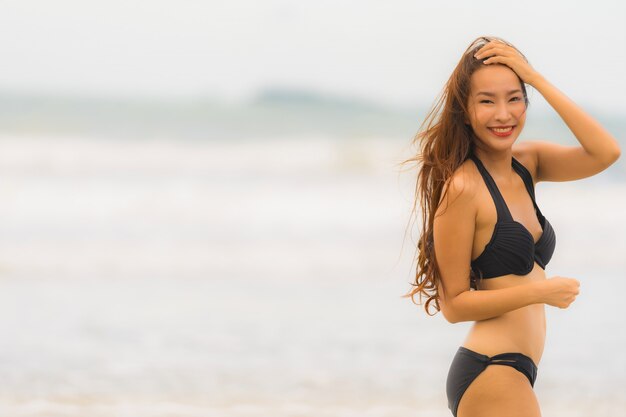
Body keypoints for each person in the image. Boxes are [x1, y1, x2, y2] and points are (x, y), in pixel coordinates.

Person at [401, 36, 621, 417]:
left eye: (515, 98)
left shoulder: (528, 163)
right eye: (486, 101)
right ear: (465, 112)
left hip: (517, 369)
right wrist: (539, 293)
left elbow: (606, 152)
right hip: (491, 368)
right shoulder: (463, 190)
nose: (503, 114)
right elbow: (455, 305)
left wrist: (536, 78)